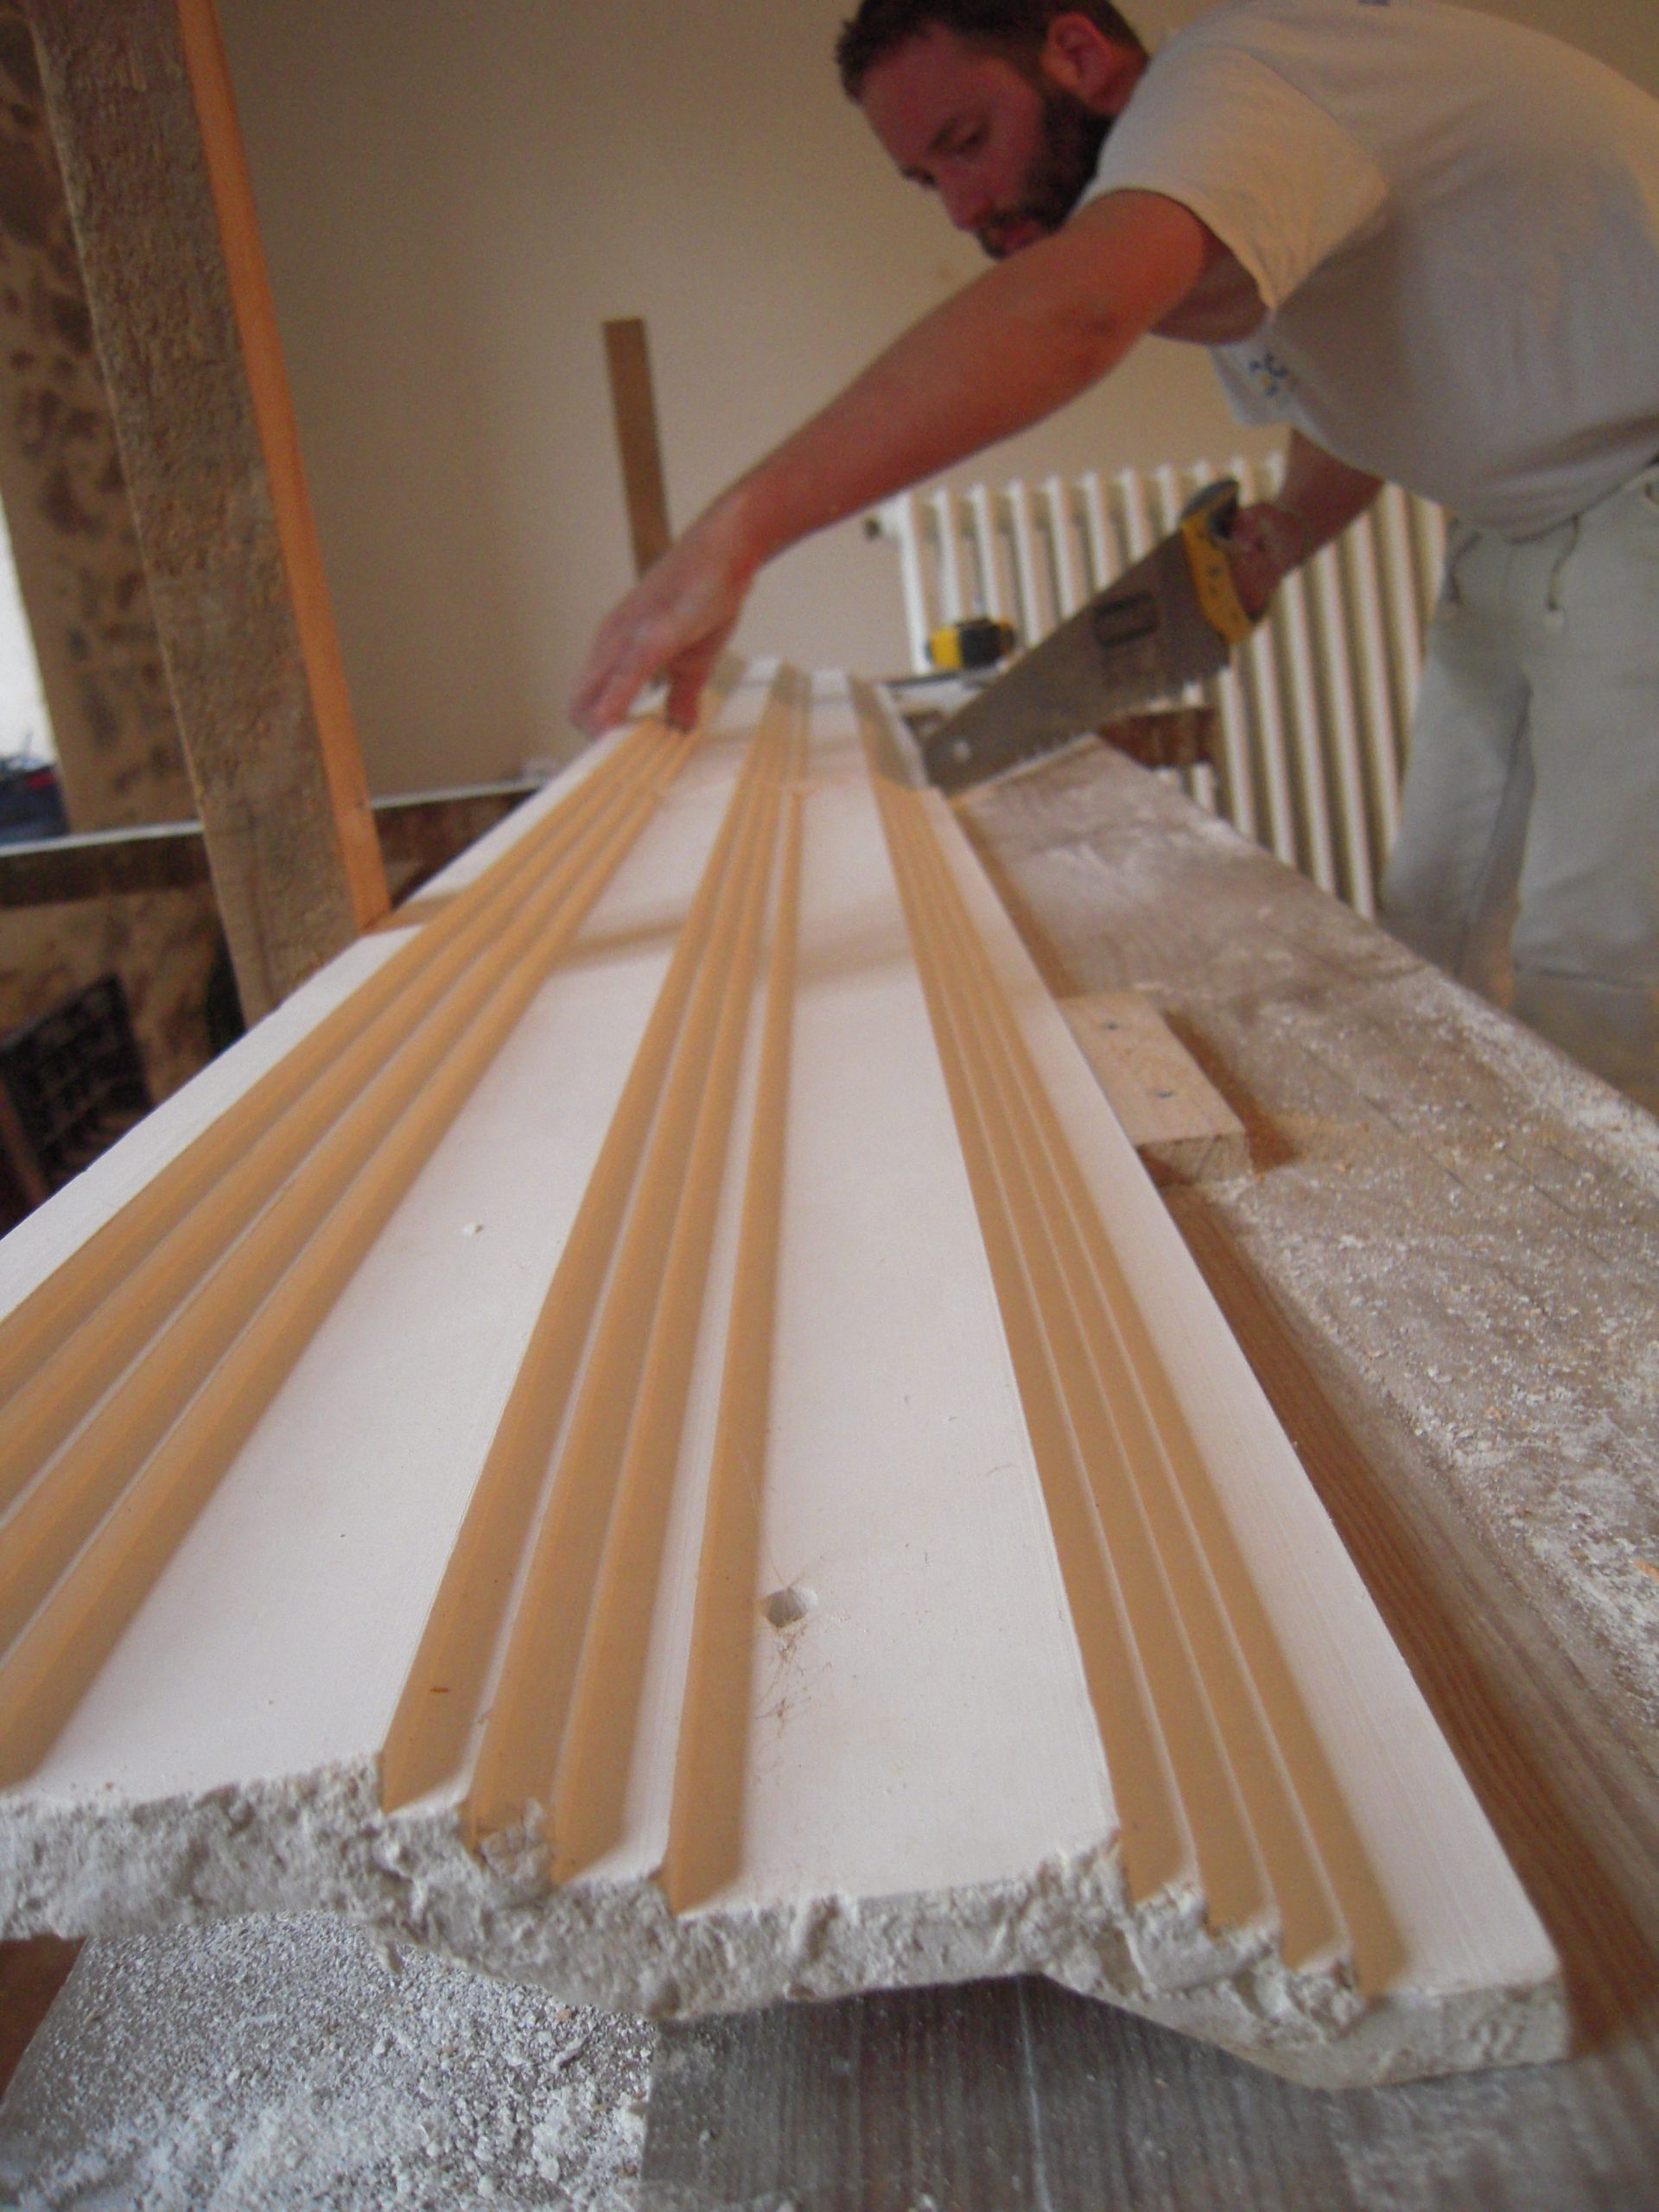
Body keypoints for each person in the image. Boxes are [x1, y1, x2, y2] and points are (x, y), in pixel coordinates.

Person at [571, 0, 1659, 1111]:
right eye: (926, 180)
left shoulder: (1234, 81)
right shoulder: (1225, 198)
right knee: (1433, 922)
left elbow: (1073, 315)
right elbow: (1350, 402)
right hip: (1525, 516)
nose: (964, 205)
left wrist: (736, 532)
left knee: (1607, 983)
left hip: (1637, 483)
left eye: (966, 142)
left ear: (1077, 54)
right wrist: (1275, 539)